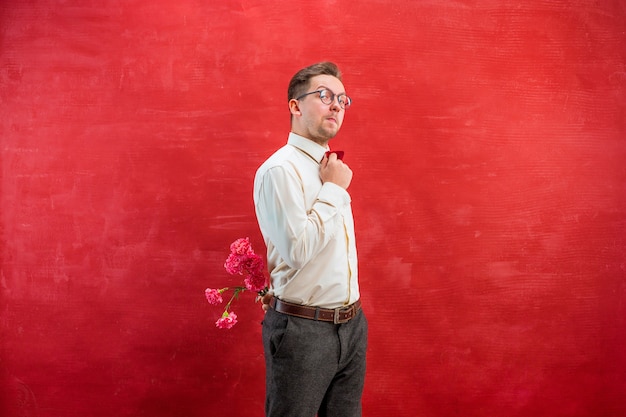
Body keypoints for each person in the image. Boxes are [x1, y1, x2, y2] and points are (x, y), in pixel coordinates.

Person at [253, 61, 367, 417]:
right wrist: (333, 189)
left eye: (342, 99)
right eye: (324, 95)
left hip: (352, 326)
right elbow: (298, 251)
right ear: (295, 106)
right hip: (303, 331)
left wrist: (332, 182)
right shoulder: (279, 170)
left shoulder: (331, 168)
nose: (336, 105)